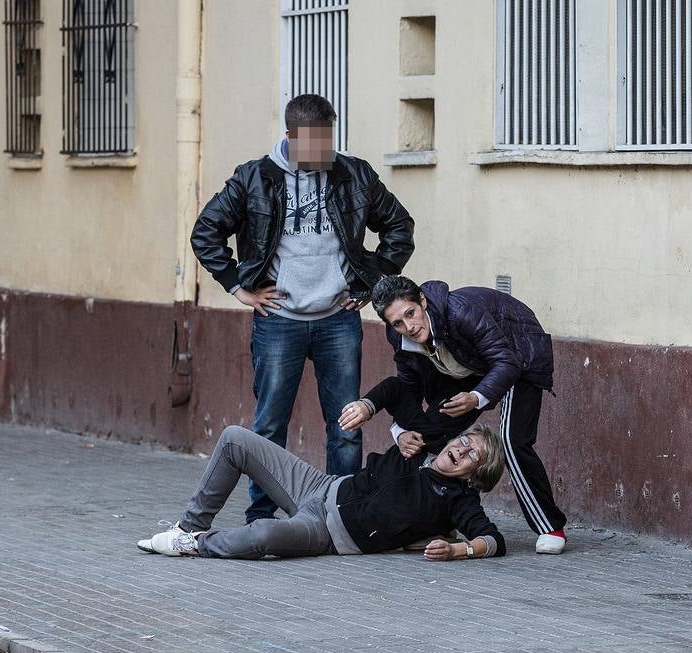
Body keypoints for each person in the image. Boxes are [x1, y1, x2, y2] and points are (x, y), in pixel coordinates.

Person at [190, 93, 416, 525]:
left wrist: (369, 283)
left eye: (328, 140)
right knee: (270, 426)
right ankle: (261, 515)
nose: (324, 152)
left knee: (346, 427)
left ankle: (345, 515)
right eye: (314, 143)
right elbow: (206, 231)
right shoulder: (254, 178)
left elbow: (399, 228)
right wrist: (239, 287)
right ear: (291, 136)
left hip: (338, 320)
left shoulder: (353, 173)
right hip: (278, 322)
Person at [338, 276, 569, 555]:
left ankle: (550, 526)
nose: (408, 327)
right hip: (467, 365)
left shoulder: (461, 312)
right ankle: (441, 523)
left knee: (512, 440)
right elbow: (408, 387)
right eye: (397, 323)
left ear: (422, 301)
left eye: (410, 314)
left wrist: (475, 398)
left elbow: (505, 361)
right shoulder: (400, 337)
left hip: (518, 357)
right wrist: (400, 431)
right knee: (431, 429)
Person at [136, 423, 506, 561]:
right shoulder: (421, 447)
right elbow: (404, 393)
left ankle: (195, 545)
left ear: (475, 476)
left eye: (474, 454)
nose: (461, 449)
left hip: (328, 533)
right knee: (235, 439)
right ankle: (186, 527)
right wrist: (394, 426)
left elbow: (493, 540)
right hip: (320, 485)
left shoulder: (459, 500)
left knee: (264, 533)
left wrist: (458, 549)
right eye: (464, 440)